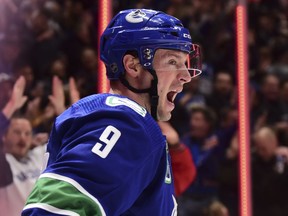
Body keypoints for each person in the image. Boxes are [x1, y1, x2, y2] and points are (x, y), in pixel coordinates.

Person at [22, 8, 202, 216]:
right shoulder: (127, 124)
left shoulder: (113, 118)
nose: (186, 76)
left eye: (184, 63)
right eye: (172, 62)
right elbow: (55, 211)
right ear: (133, 66)